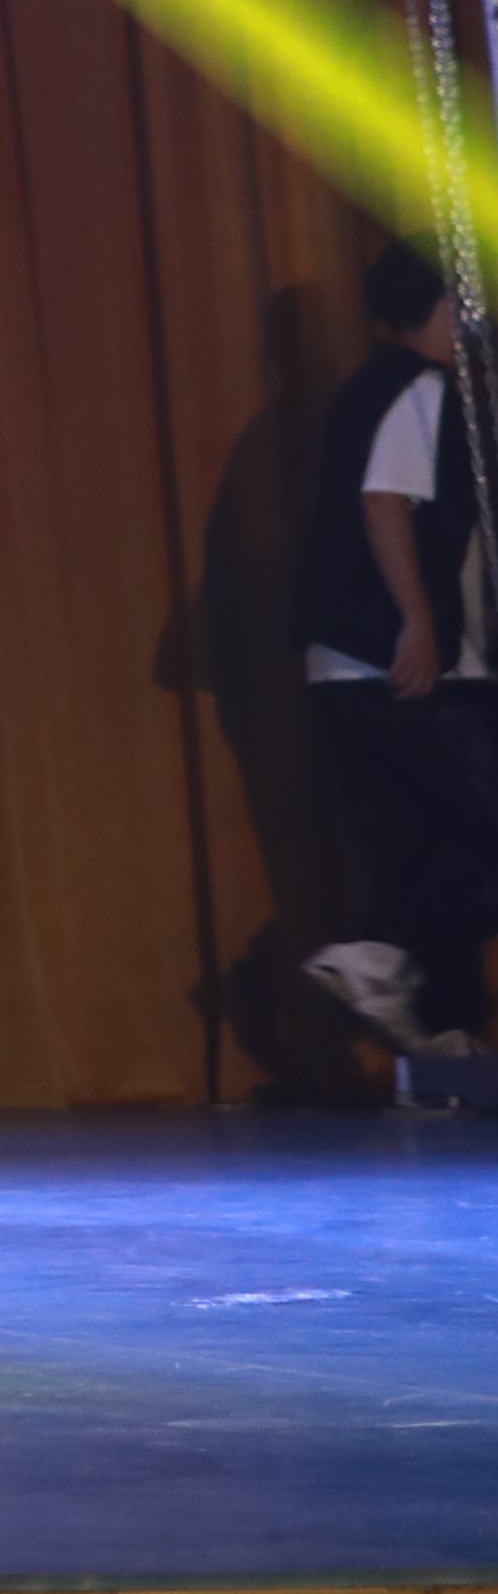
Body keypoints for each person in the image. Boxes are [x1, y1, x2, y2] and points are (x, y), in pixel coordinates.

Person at [293, 241, 498, 1065]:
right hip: (391, 658)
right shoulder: (418, 386)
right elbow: (384, 500)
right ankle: (388, 952)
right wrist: (416, 620)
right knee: (475, 824)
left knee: (426, 845)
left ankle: (438, 1036)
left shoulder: (370, 388)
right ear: (446, 304)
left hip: (348, 661)